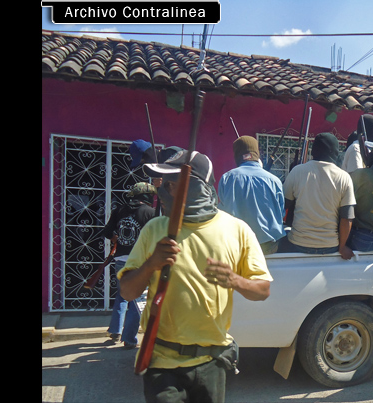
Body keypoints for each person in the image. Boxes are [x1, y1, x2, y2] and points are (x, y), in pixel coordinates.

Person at [119, 150, 272, 403]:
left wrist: (235, 280)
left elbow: (263, 290)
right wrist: (150, 265)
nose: (162, 193)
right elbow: (127, 292)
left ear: (197, 187)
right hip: (161, 363)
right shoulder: (154, 229)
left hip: (213, 362)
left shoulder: (237, 230)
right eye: (161, 185)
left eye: (170, 185)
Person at [280, 133, 356, 260]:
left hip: (297, 243)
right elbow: (347, 218)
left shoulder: (297, 171)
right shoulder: (344, 177)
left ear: (314, 150)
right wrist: (342, 247)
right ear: (335, 152)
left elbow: (282, 207)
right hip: (330, 245)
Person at [102, 182, 157, 349]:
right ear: (148, 196)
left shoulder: (120, 210)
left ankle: (115, 331)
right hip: (140, 262)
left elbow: (106, 232)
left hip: (120, 260)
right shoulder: (151, 213)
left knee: (122, 295)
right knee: (137, 299)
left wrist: (116, 239)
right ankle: (129, 339)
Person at [217, 136, 286, 255]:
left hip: (237, 246)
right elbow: (280, 213)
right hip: (268, 246)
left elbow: (223, 212)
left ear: (236, 155)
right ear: (257, 154)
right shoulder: (274, 180)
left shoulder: (227, 178)